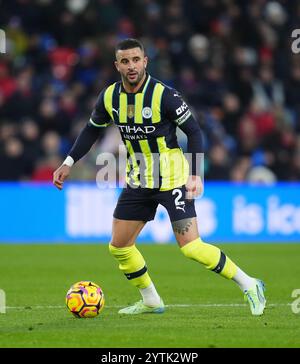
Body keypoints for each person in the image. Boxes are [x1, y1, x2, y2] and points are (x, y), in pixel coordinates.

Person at [53, 38, 266, 316]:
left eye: (136, 60)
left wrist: (195, 174)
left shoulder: (164, 95)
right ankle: (151, 300)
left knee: (191, 247)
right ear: (117, 65)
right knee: (119, 246)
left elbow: (194, 131)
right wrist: (68, 162)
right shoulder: (109, 97)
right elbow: (92, 129)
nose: (131, 66)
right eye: (125, 61)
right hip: (139, 180)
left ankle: (250, 284)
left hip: (172, 179)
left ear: (145, 61)